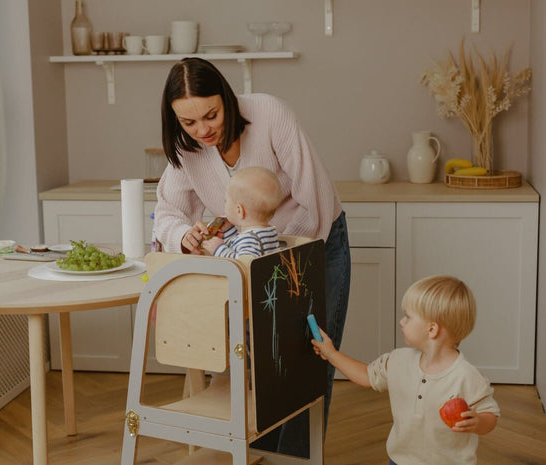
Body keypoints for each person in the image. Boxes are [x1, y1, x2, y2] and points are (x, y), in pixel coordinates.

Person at [154, 57, 351, 457]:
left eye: (211, 115)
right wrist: (184, 235)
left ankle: (294, 459)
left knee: (308, 363)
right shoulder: (186, 146)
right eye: (189, 123)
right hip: (250, 260)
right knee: (261, 367)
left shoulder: (269, 113)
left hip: (314, 245)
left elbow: (313, 198)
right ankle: (260, 455)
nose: (203, 130)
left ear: (226, 98)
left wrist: (271, 253)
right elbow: (167, 212)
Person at [311, 275, 499, 465]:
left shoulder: (466, 376)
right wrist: (332, 354)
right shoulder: (399, 360)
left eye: (408, 317)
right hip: (400, 461)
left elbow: (490, 415)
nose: (402, 322)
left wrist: (478, 422)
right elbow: (367, 375)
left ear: (432, 329)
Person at [202, 166, 281, 258]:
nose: (225, 204)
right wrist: (228, 231)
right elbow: (237, 247)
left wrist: (219, 249)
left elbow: (244, 265)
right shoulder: (268, 233)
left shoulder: (249, 239)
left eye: (226, 201)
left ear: (239, 210)